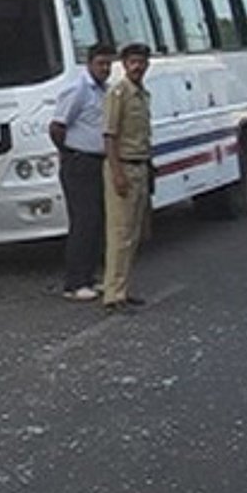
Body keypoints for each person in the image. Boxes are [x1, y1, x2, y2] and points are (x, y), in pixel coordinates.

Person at [49, 42, 115, 301]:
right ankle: (74, 283)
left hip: (99, 161)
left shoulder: (104, 91)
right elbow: (57, 126)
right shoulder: (78, 90)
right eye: (100, 64)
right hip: (79, 162)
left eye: (108, 64)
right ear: (89, 63)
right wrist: (69, 153)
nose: (105, 69)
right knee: (83, 222)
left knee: (97, 221)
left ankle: (88, 277)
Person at [102, 42, 153, 314]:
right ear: (123, 64)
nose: (137, 66)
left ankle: (123, 288)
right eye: (132, 61)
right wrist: (117, 174)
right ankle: (113, 294)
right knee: (119, 234)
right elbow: (109, 136)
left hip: (140, 166)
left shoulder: (142, 95)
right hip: (122, 167)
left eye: (141, 61)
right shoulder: (118, 93)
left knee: (133, 234)